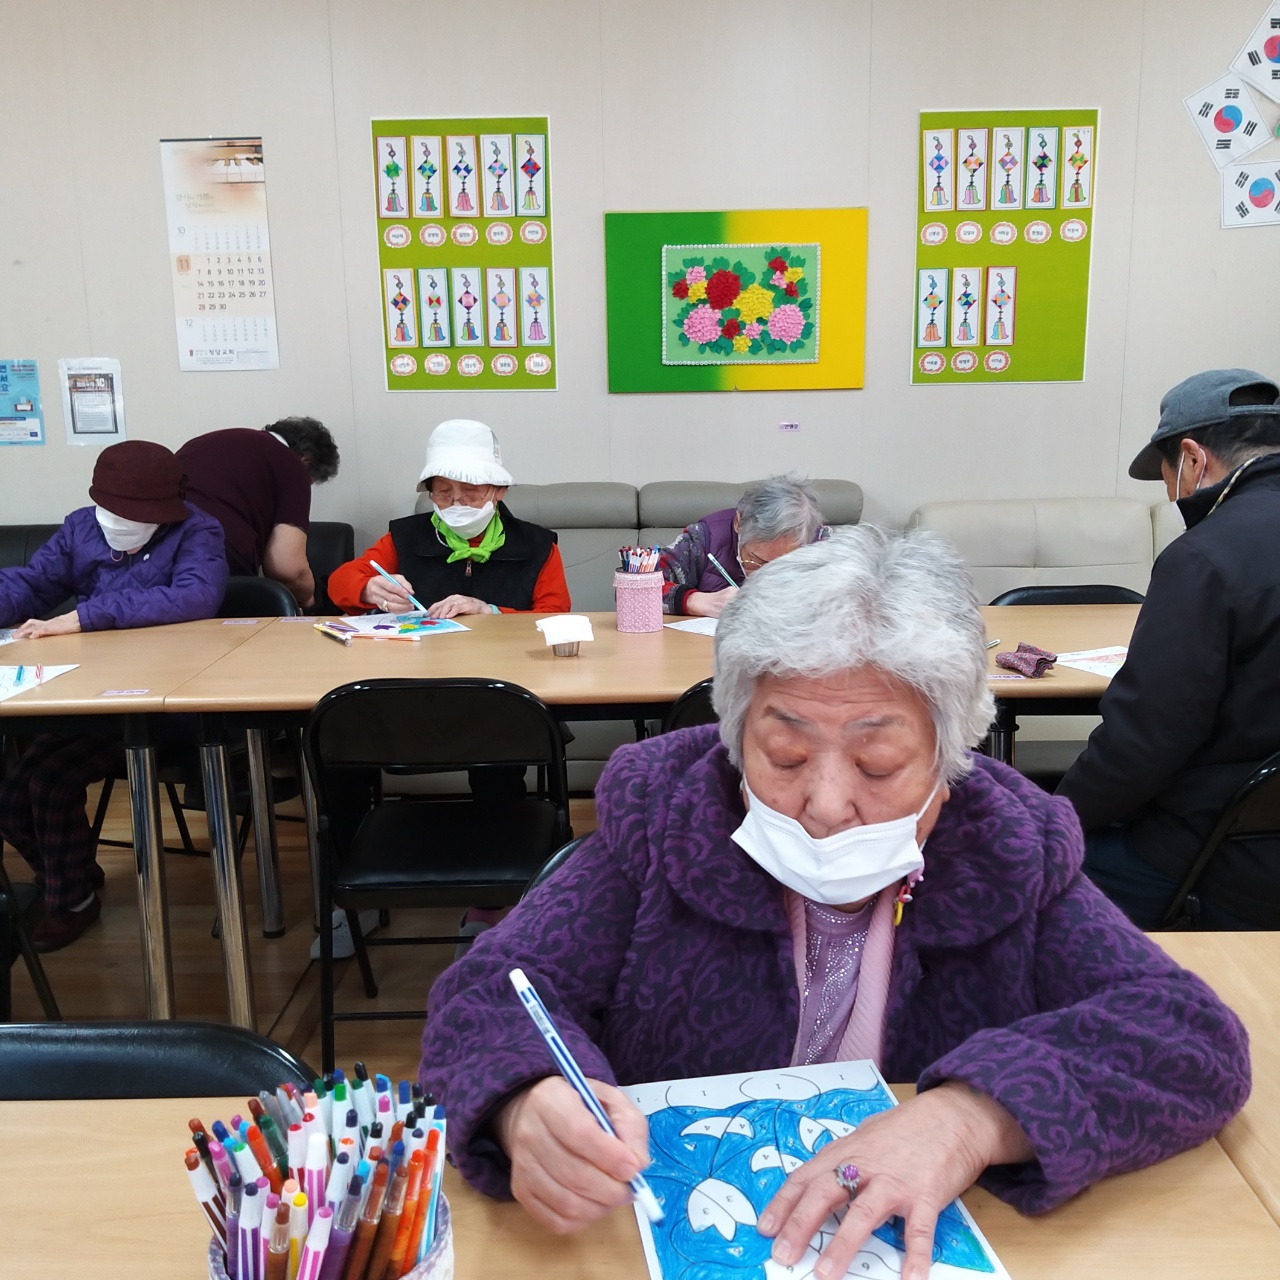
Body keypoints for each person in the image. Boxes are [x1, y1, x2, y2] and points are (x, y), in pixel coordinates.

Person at [421, 526, 1248, 1280]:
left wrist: (971, 1117)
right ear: (735, 733)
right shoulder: (665, 819)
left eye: (878, 765)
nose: (823, 804)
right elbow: (492, 993)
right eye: (783, 754)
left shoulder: (1007, 849)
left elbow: (1190, 1036)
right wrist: (526, 1101)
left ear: (950, 756)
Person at [1058, 368, 1280, 930]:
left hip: (1224, 856)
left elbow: (1143, 745)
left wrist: (1055, 819)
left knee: (1019, 872)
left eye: (1165, 477)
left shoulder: (1205, 557)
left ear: (1192, 458)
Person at [0, 440, 227, 951]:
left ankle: (70, 900)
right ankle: (71, 873)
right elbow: (33, 584)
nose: (124, 522)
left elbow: (196, 595)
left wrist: (84, 616)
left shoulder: (198, 530)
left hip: (160, 700)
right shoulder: (80, 527)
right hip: (89, 695)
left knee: (49, 783)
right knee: (12, 798)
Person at [327, 418, 570, 617]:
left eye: (471, 491)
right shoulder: (406, 537)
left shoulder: (537, 545)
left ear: (499, 491)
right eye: (443, 492)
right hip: (425, 657)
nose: (457, 502)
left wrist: (491, 612)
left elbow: (555, 614)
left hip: (505, 656)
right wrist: (368, 589)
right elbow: (339, 583)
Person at [177, 416, 340, 608]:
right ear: (307, 460)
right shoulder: (291, 464)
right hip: (218, 574)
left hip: (159, 568)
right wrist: (310, 599)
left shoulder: (202, 443)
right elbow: (288, 571)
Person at [658, 475, 829, 618]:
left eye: (782, 564)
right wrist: (694, 601)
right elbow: (645, 582)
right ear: (738, 523)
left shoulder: (819, 543)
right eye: (757, 561)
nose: (766, 575)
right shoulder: (703, 538)